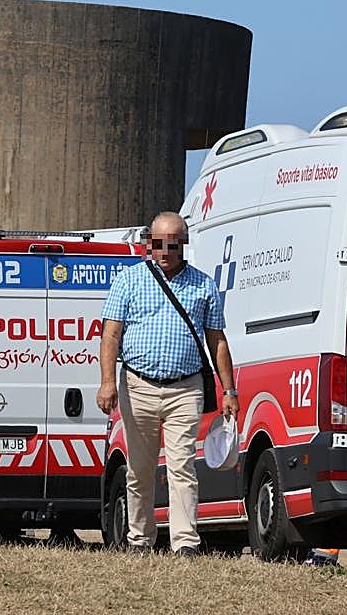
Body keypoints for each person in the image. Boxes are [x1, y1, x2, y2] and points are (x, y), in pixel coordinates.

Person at [96, 211, 239, 556]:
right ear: (149, 244)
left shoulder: (203, 285)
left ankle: (185, 542)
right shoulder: (128, 280)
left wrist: (229, 390)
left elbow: (217, 340)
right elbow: (110, 336)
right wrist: (107, 382)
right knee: (139, 469)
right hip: (138, 386)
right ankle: (139, 539)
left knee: (182, 466)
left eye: (172, 244)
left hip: (185, 388)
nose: (164, 251)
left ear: (183, 244)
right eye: (158, 244)